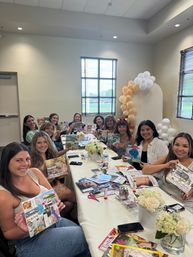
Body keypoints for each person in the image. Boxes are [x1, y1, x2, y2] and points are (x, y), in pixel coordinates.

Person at [0, 142, 91, 257]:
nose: (25, 164)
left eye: (27, 159)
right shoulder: (3, 195)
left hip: (52, 222)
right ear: (6, 162)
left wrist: (57, 204)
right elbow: (8, 233)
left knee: (87, 234)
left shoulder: (34, 172)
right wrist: (25, 229)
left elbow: (52, 196)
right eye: (18, 160)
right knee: (86, 237)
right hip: (30, 241)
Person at [142, 132, 193, 212]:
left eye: (185, 146)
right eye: (177, 144)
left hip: (183, 203)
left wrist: (191, 191)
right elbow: (145, 170)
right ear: (172, 146)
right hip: (164, 196)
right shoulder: (168, 158)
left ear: (190, 148)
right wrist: (165, 165)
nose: (180, 149)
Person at [30, 131, 76, 218]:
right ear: (34, 144)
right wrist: (48, 180)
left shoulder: (49, 155)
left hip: (53, 186)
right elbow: (32, 184)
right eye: (39, 142)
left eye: (45, 142)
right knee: (74, 195)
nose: (43, 145)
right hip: (42, 192)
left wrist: (61, 173)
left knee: (69, 204)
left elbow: (58, 167)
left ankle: (54, 218)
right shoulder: (31, 160)